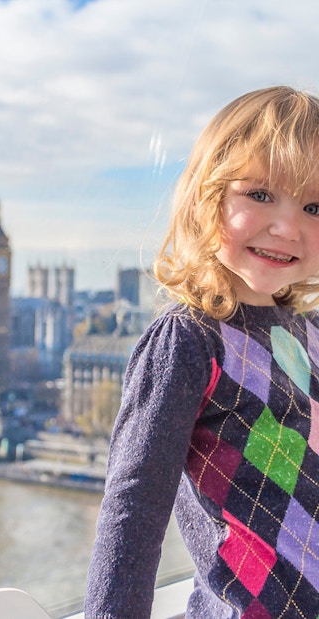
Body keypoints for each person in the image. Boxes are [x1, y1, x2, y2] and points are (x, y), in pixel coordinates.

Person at [84, 86, 319, 618]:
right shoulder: (189, 342)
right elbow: (135, 511)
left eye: (314, 206)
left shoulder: (309, 333)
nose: (288, 226)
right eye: (260, 194)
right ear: (205, 199)